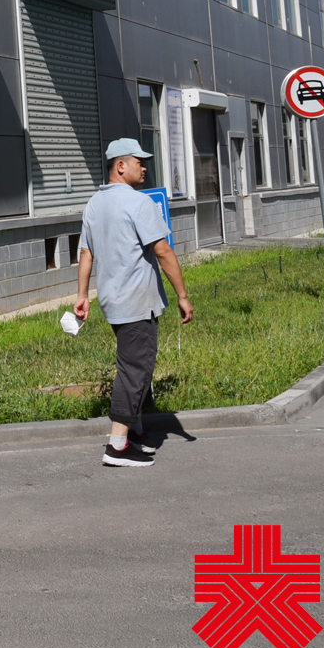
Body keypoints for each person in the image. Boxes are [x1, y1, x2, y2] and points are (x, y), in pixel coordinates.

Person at [73, 138, 194, 468]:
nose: (144, 168)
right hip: (137, 301)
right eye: (139, 162)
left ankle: (136, 431)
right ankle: (117, 445)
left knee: (133, 365)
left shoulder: (94, 204)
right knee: (135, 370)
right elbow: (163, 251)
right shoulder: (139, 202)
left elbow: (86, 253)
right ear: (120, 166)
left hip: (112, 301)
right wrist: (183, 296)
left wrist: (82, 296)